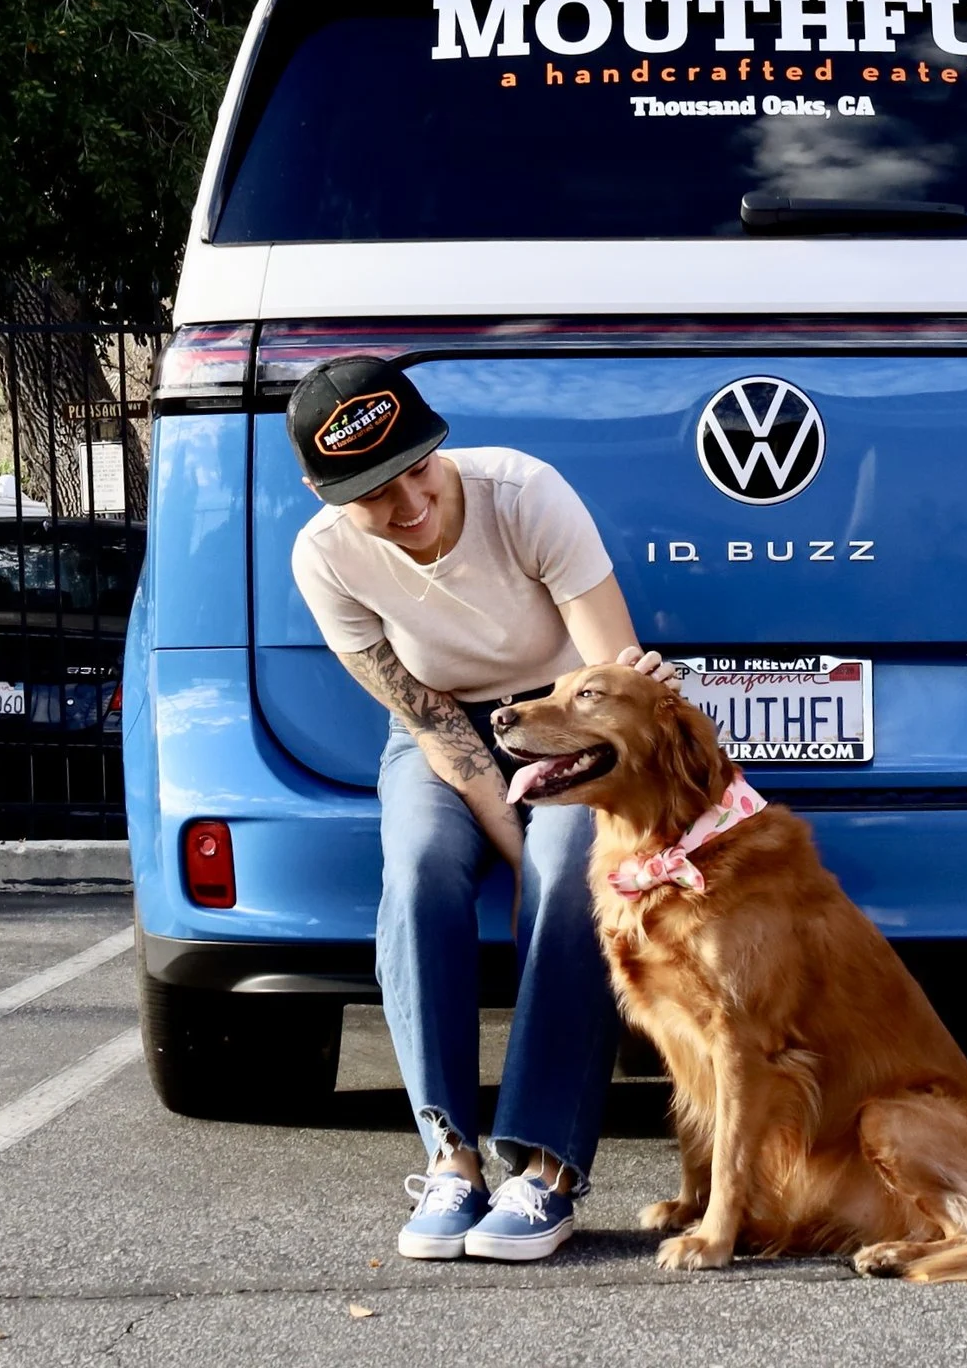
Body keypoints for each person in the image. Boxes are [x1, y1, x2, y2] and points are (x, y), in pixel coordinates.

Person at [285, 355, 676, 1263]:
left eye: (416, 466)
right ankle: (451, 1156)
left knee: (569, 866)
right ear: (323, 488)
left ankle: (547, 1168)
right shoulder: (327, 557)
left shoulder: (523, 492)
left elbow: (609, 685)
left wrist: (546, 827)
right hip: (444, 727)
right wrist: (512, 827)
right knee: (420, 864)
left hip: (571, 715)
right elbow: (427, 724)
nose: (408, 503)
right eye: (374, 491)